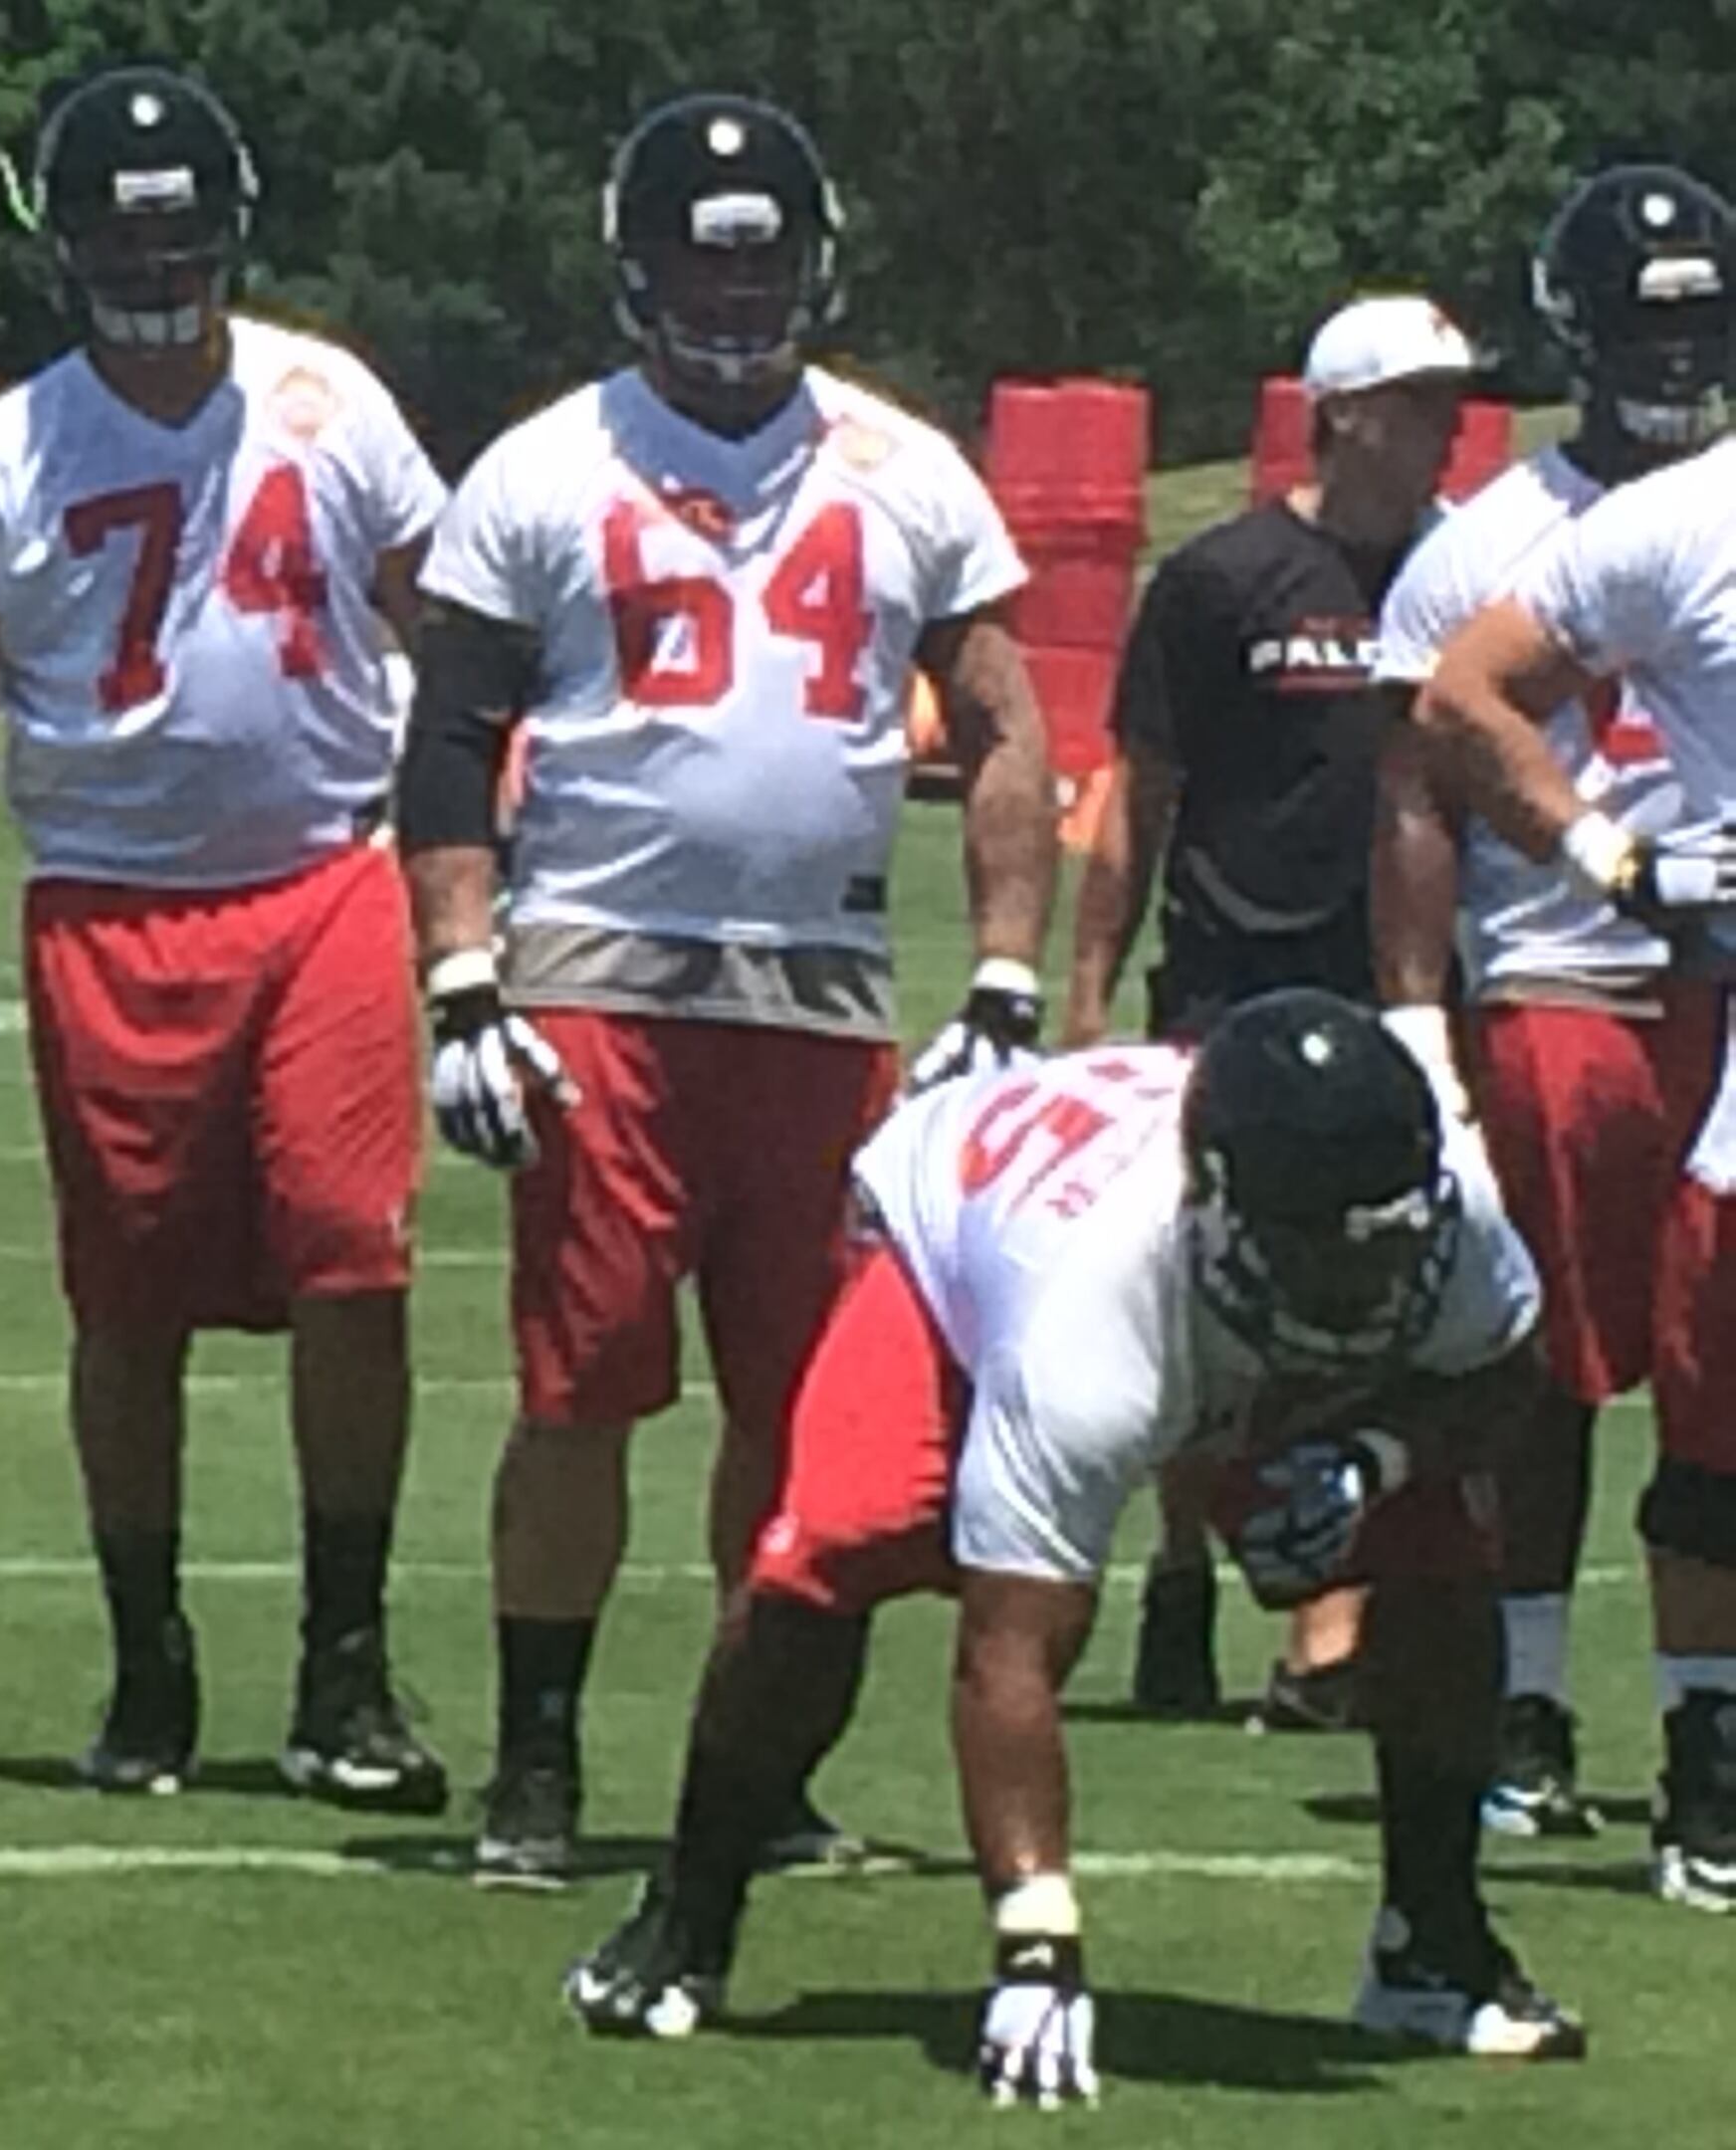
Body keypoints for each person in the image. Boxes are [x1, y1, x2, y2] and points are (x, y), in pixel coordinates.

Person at [395, 92, 1058, 1884]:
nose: (735, 296)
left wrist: (1003, 976)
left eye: (761, 262)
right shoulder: (542, 467)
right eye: (703, 259)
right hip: (600, 980)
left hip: (825, 993)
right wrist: (464, 978)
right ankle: (536, 1768)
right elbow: (448, 742)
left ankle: (749, 1771)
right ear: (637, 267)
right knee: (579, 1392)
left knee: (805, 1411)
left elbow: (1003, 726)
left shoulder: (904, 464)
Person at [565, 995, 1586, 2095]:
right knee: (829, 1552)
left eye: (1385, 1249)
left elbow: (1500, 1379)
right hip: (953, 1236)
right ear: (1222, 1207)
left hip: (1194, 1288)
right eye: (1324, 1257)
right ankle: (691, 1911)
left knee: (1442, 1559)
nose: (1370, 1286)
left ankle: (1433, 1945)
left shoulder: (1449, 1212)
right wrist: (1036, 1949)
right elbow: (1008, 1651)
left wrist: (1374, 1461)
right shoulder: (1087, 1301)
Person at [0, 62, 450, 1812]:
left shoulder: (331, 401)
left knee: (356, 1253)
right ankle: (149, 1661)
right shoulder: (7, 449)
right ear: (64, 242)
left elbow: (448, 626)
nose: (151, 260)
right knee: (128, 1304)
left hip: (326, 872)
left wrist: (487, 846)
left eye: (175, 228)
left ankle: (345, 1665)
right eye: (120, 229)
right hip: (108, 898)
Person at [1369, 164, 1732, 1848]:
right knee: (1551, 1367)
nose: (1676, 353)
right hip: (1570, 974)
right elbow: (1426, 788)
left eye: (1701, 318)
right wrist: (1421, 1016)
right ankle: (1523, 1691)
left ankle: (1692, 1716)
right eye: (1646, 321)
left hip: (1714, 999)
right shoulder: (1494, 542)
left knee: (1712, 1373)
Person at [1065, 294, 1473, 1729]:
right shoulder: (1226, 576)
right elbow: (1143, 799)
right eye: (1414, 401)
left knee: (1379, 1310)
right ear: (1342, 410)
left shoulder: (1470, 574)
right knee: (1206, 1306)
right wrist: (1092, 998)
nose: (1440, 428)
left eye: (1450, 402)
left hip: (1405, 993)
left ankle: (1328, 1632)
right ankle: (1180, 1576)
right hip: (1233, 976)